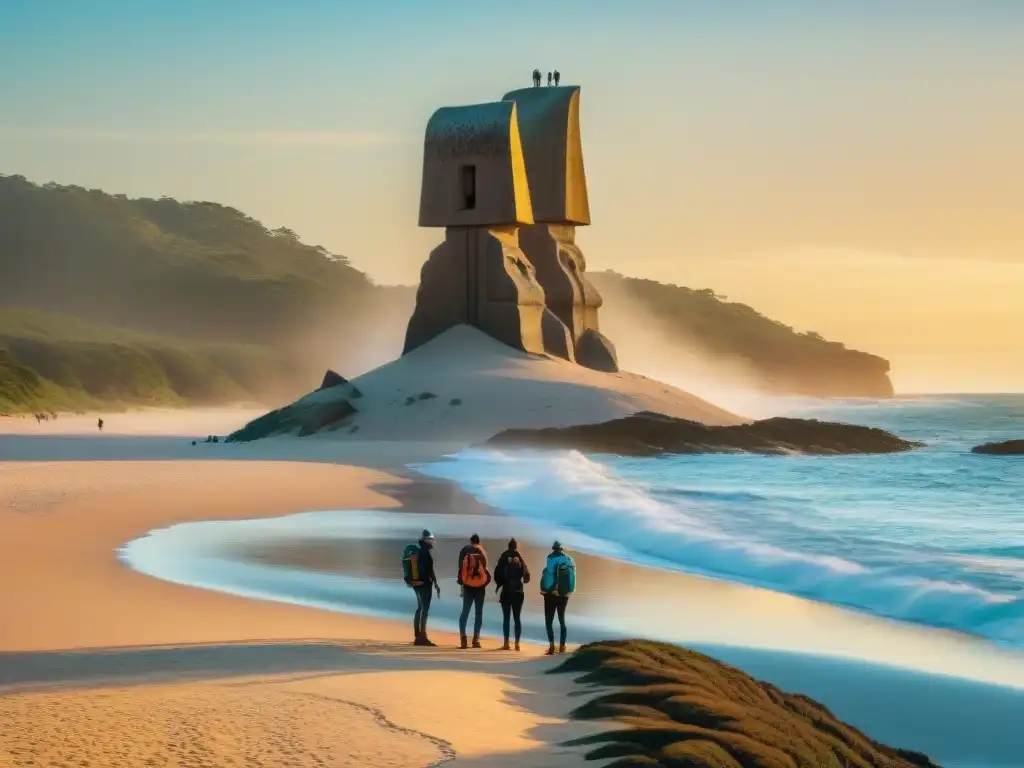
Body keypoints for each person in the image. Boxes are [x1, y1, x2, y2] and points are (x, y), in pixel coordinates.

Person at [493, 538, 531, 651]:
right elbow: (527, 576)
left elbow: (497, 572)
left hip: (506, 591)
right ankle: (517, 643)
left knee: (506, 618)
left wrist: (500, 584)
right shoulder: (519, 557)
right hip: (518, 592)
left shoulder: (504, 556)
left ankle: (506, 643)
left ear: (508, 546)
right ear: (515, 547)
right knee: (517, 618)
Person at [539, 541, 576, 655]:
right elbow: (573, 574)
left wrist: (545, 589)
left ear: (553, 548)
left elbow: (549, 573)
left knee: (549, 620)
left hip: (550, 593)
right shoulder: (569, 559)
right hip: (564, 594)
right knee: (561, 619)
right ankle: (562, 646)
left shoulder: (550, 558)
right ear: (561, 549)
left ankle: (551, 646)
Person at [456, 533, 490, 648]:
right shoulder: (482, 551)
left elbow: (460, 569)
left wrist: (462, 583)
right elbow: (485, 569)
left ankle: (463, 640)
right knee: (478, 613)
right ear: (479, 541)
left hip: (467, 586)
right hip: (480, 586)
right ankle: (476, 640)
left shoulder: (464, 550)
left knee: (465, 612)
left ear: (470, 541)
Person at [411, 529, 440, 646]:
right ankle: (423, 637)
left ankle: (417, 635)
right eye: (432, 540)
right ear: (428, 540)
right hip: (424, 585)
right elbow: (428, 570)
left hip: (416, 584)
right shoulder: (425, 552)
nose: (433, 542)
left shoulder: (418, 551)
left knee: (419, 608)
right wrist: (433, 582)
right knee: (425, 610)